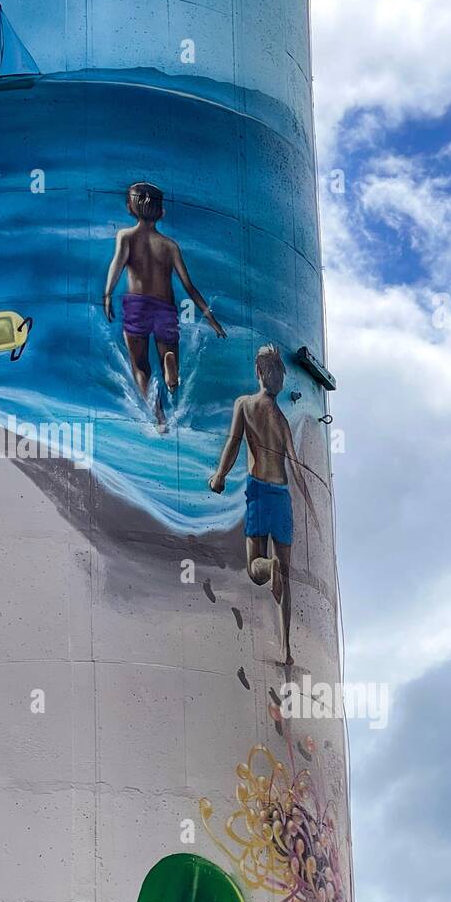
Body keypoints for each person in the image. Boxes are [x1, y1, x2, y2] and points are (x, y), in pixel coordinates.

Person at [209, 345, 320, 666]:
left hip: (258, 490)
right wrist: (310, 505)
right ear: (279, 379)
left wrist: (219, 476)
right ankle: (287, 650)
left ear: (258, 372)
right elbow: (296, 466)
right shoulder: (282, 419)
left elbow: (233, 443)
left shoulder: (245, 405)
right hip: (282, 495)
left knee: (256, 567)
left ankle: (268, 568)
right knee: (287, 574)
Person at [103, 182, 226, 429]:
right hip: (165, 308)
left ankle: (159, 416)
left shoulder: (126, 236)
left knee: (140, 365)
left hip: (137, 305)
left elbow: (117, 265)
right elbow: (189, 286)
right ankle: (170, 368)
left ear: (130, 207)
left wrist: (107, 295)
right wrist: (210, 319)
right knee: (166, 349)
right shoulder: (170, 246)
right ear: (162, 212)